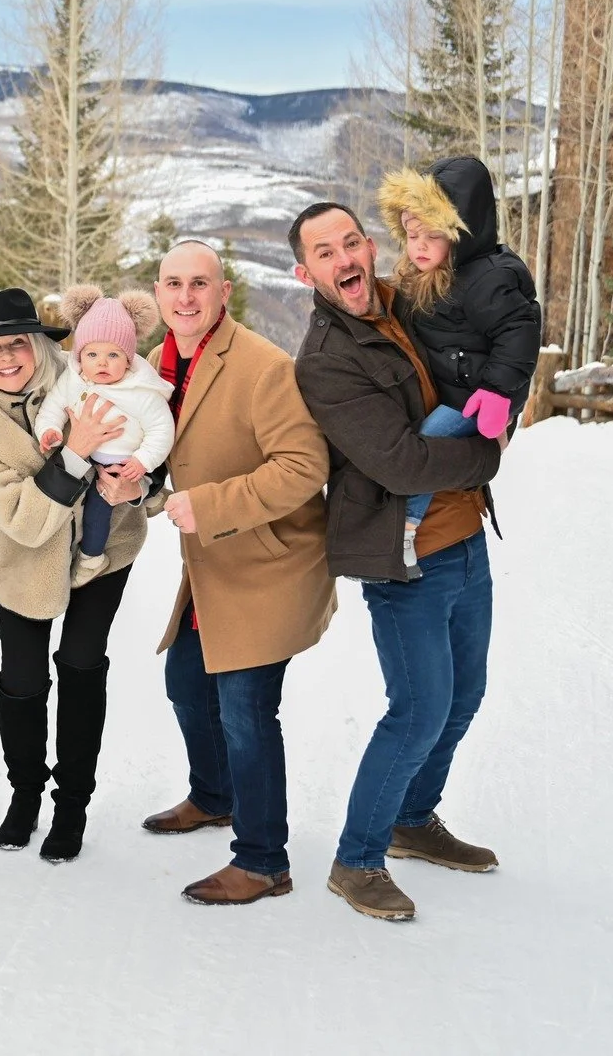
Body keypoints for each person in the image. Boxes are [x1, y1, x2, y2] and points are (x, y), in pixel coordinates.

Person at [289, 201, 505, 924]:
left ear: (369, 246)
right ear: (305, 271)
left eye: (351, 241)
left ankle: (415, 816)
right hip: (406, 558)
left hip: (467, 538)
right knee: (417, 710)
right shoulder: (325, 360)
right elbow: (400, 461)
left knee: (464, 694)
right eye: (325, 252)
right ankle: (357, 859)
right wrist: (485, 452)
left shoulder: (411, 300)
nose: (344, 258)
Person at [141, 239, 334, 906]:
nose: (186, 296)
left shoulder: (262, 366)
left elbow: (304, 468)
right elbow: (157, 456)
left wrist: (208, 504)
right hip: (214, 562)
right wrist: (131, 482)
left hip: (269, 561)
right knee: (186, 680)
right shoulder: (157, 367)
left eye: (201, 283)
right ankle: (214, 793)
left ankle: (262, 859)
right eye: (174, 283)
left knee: (246, 709)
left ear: (224, 292)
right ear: (158, 292)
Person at [0, 288, 152, 861]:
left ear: (40, 345)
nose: (7, 356)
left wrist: (142, 486)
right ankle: (25, 791)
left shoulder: (94, 376)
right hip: (23, 557)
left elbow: (153, 445)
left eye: (19, 342)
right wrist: (76, 452)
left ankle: (73, 802)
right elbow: (22, 519)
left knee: (82, 665)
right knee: (22, 678)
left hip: (104, 549)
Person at [375, 157, 541, 571]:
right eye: (412, 235)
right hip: (457, 388)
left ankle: (405, 531)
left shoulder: (489, 278)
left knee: (424, 447)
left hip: (477, 394)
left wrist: (500, 394)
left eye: (433, 235)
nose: (419, 246)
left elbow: (519, 332)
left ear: (461, 234)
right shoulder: (426, 275)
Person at [32, 285, 172, 587]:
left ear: (129, 358)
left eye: (113, 354)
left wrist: (142, 461)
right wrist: (49, 430)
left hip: (120, 465)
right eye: (92, 353)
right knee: (67, 502)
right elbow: (52, 407)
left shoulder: (141, 391)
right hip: (84, 459)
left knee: (99, 507)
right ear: (81, 355)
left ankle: (91, 557)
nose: (102, 362)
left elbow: (162, 429)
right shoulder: (74, 380)